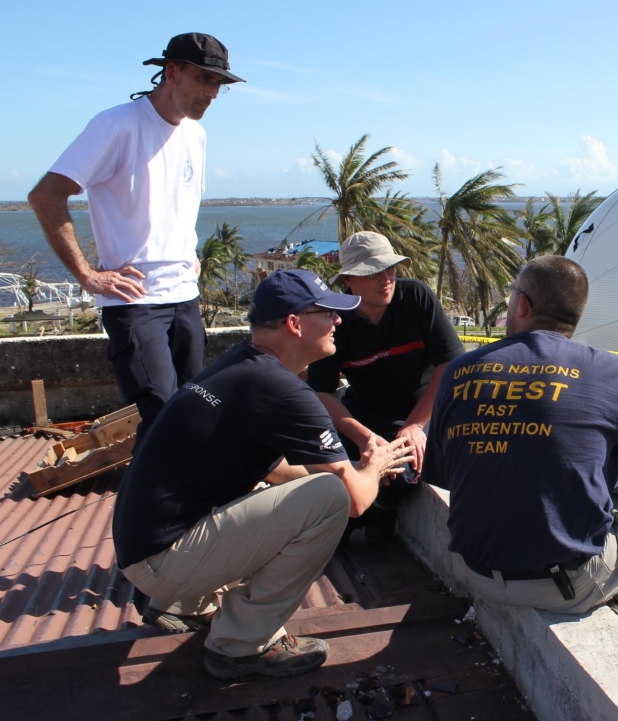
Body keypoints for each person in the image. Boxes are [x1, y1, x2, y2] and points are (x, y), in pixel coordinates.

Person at [111, 269, 414, 679]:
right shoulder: (283, 390)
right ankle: (240, 645)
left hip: (144, 551)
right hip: (162, 564)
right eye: (327, 313)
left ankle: (188, 604)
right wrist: (374, 464)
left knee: (302, 485)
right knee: (331, 497)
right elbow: (357, 502)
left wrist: (330, 477)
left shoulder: (243, 364)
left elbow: (273, 469)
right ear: (295, 323)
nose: (338, 321)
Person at [427, 255, 618, 618]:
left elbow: (446, 474)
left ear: (522, 304)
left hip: (474, 572)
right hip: (566, 585)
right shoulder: (612, 373)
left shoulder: (458, 372)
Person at [28, 33, 244, 437]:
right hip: (136, 301)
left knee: (197, 409)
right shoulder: (115, 125)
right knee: (164, 415)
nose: (212, 93)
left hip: (185, 295)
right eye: (204, 79)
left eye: (219, 84)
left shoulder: (196, 135)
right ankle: (151, 499)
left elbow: (173, 209)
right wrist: (87, 275)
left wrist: (188, 253)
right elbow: (46, 196)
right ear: (172, 72)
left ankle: (192, 498)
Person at [305, 231, 465, 498]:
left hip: (421, 413)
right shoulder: (335, 320)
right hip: (363, 416)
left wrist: (414, 425)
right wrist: (364, 437)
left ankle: (380, 517)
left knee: (402, 474)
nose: (386, 278)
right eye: (373, 271)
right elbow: (321, 392)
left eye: (389, 268)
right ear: (348, 279)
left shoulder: (416, 297)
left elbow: (450, 364)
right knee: (326, 468)